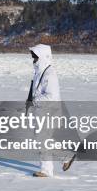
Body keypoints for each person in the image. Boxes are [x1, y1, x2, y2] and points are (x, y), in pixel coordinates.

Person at [25, 44, 74, 177]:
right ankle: (63, 158)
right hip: (41, 110)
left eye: (35, 56)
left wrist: (35, 101)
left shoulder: (49, 73)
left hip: (49, 111)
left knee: (42, 139)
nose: (33, 59)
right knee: (42, 139)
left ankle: (48, 169)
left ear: (43, 57)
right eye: (33, 56)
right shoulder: (40, 71)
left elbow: (51, 96)